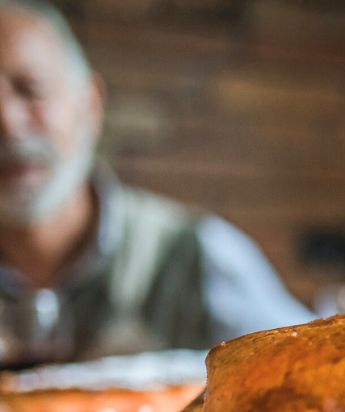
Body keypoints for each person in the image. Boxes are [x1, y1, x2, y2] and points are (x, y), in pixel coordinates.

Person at [0, 0, 313, 368]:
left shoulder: (198, 257)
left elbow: (313, 380)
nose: (7, 123)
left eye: (30, 89)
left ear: (91, 105)